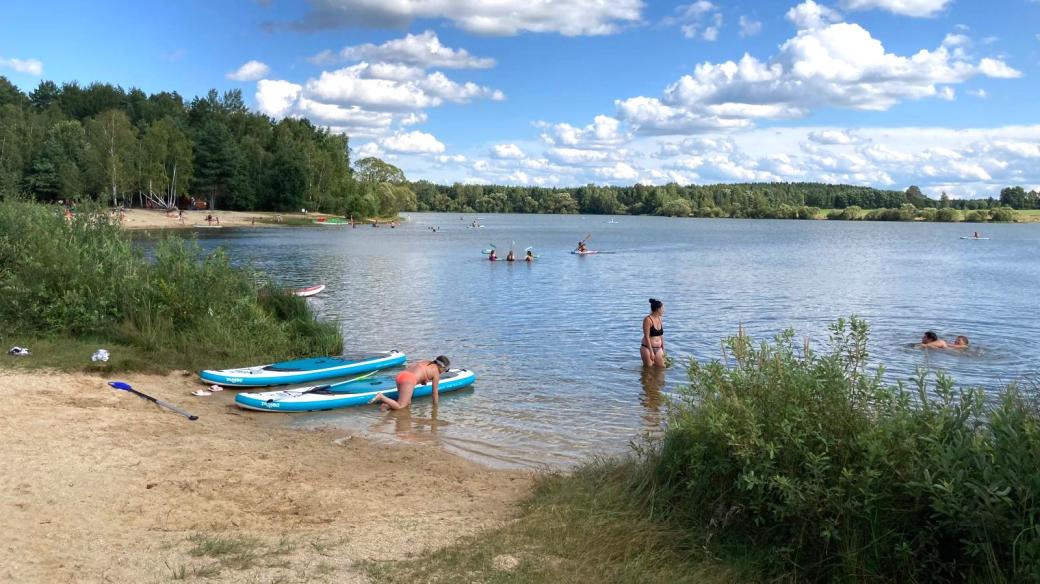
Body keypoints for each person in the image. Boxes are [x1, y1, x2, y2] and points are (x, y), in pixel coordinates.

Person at [371, 356, 449, 410]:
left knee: (407, 403)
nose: (444, 372)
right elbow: (435, 392)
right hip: (408, 379)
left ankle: (385, 407)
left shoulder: (426, 362)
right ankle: (381, 397)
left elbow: (416, 370)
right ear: (441, 366)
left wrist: (422, 380)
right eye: (446, 369)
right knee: (401, 406)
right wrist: (435, 407)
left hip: (401, 375)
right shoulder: (436, 373)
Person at [641, 298, 666, 367]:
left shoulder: (660, 318)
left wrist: (663, 347)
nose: (663, 311)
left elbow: (661, 335)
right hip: (647, 348)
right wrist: (651, 351)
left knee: (661, 368)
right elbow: (646, 336)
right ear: (658, 309)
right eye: (662, 309)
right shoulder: (647, 319)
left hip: (658, 348)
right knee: (649, 370)